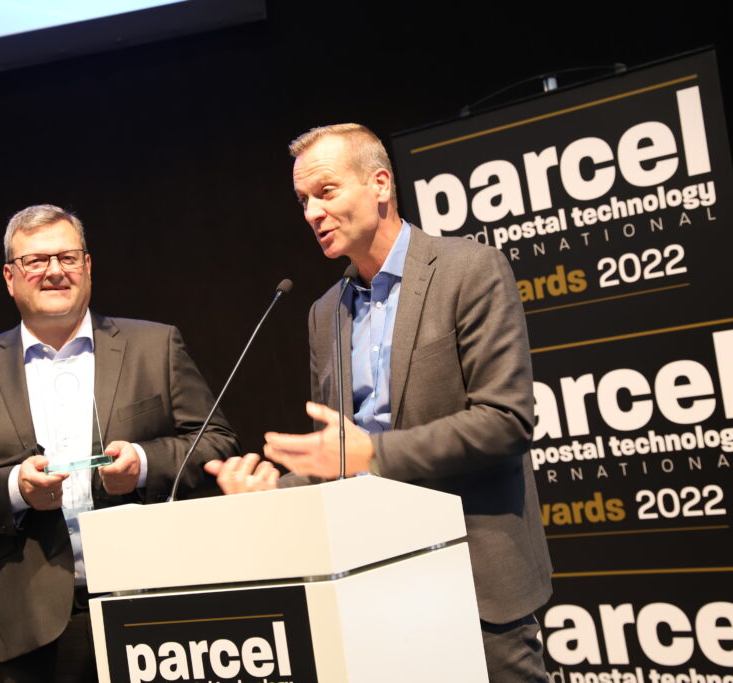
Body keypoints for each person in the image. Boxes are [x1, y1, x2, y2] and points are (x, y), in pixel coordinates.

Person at [206, 124, 552, 681]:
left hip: (476, 574)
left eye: (326, 192)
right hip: (375, 579)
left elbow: (505, 421)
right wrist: (276, 491)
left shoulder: (468, 270)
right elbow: (339, 458)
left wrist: (372, 455)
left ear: (381, 184)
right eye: (302, 201)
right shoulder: (325, 312)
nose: (312, 213)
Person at [0, 204, 239, 683]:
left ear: (87, 266)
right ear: (10, 277)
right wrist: (16, 488)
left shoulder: (154, 346)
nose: (54, 271)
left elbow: (219, 444)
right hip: (39, 626)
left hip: (157, 604)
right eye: (35, 261)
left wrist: (144, 463)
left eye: (67, 257)